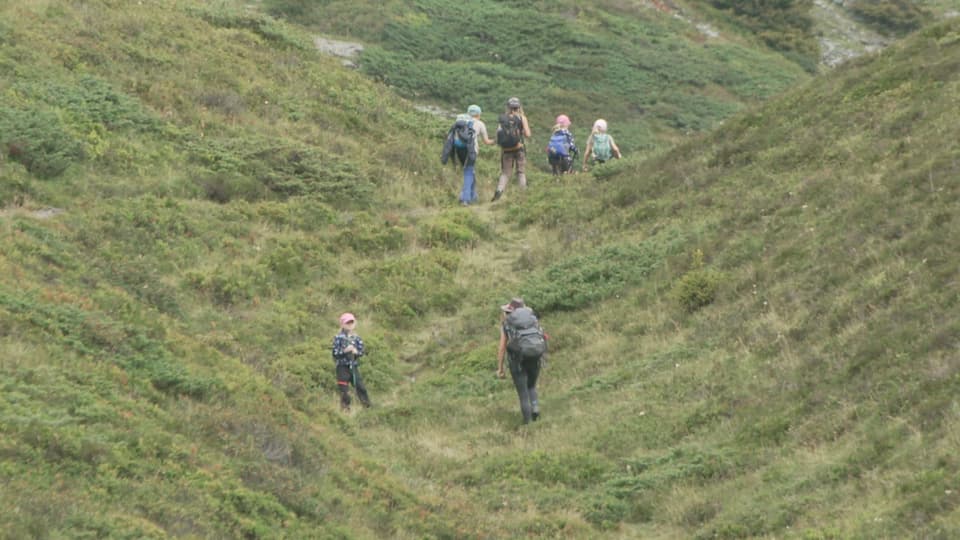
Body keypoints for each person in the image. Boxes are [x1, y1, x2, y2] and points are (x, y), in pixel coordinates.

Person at [497, 298, 547, 424]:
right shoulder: (532, 320)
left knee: (523, 393)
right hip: (535, 356)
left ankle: (528, 423)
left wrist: (501, 368)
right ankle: (535, 408)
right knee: (531, 386)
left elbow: (502, 347)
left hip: (517, 361)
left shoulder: (506, 324)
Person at [491, 97, 532, 202]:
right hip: (519, 148)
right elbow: (528, 134)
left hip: (506, 150)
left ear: (508, 107)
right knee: (520, 172)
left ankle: (499, 192)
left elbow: (498, 135)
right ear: (519, 107)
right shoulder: (522, 118)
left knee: (505, 173)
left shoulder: (503, 118)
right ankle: (524, 195)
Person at [331, 312, 371, 412]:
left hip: (353, 367)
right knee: (344, 391)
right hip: (342, 368)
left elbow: (361, 352)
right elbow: (335, 353)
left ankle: (368, 408)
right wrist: (345, 351)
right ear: (342, 324)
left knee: (361, 387)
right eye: (347, 322)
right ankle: (345, 410)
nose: (349, 324)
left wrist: (356, 352)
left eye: (351, 322)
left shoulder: (357, 338)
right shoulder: (338, 338)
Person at [460, 104, 494, 206]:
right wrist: (497, 140)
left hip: (459, 151)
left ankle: (473, 196)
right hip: (471, 152)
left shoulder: (461, 122)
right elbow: (487, 141)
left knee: (470, 172)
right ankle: (465, 199)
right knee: (468, 172)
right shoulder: (480, 124)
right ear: (478, 114)